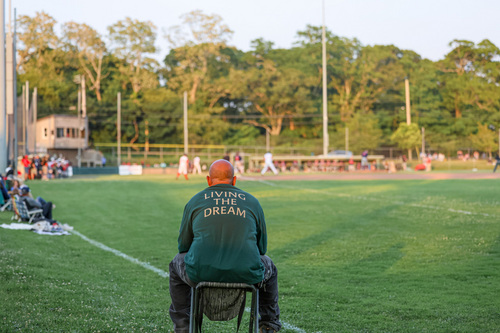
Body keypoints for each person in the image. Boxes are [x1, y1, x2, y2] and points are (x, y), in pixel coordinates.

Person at [169, 160, 281, 333]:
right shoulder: (252, 202)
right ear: (234, 180)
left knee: (176, 262)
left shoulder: (195, 201)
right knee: (269, 266)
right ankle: (269, 325)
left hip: (200, 273)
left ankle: (183, 327)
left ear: (208, 180)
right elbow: (262, 249)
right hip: (247, 274)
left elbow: (183, 246)